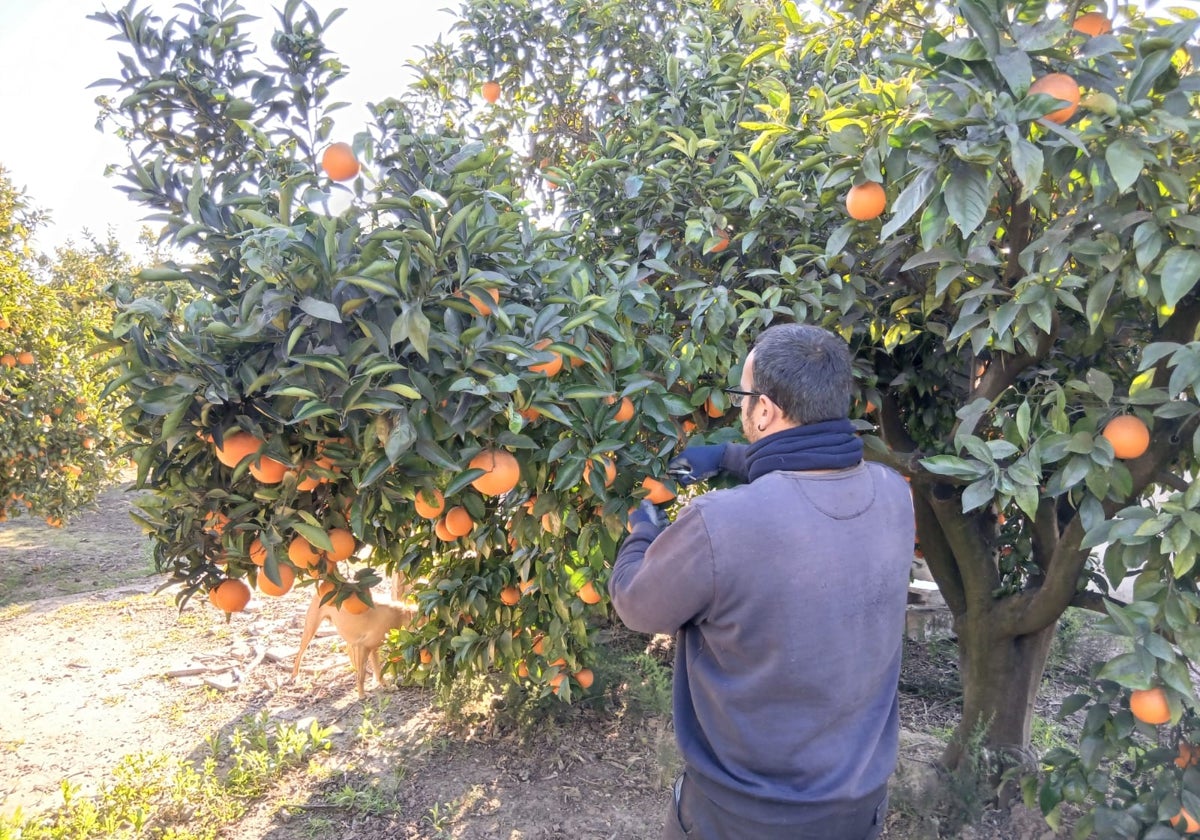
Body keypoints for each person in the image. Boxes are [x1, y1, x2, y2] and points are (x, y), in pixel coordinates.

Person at [608, 323, 914, 840]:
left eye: (742, 397)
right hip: (856, 809)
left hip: (740, 816)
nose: (738, 408)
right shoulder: (893, 495)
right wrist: (729, 456)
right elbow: (811, 461)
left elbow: (637, 606)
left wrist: (640, 535)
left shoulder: (720, 522)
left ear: (765, 409)